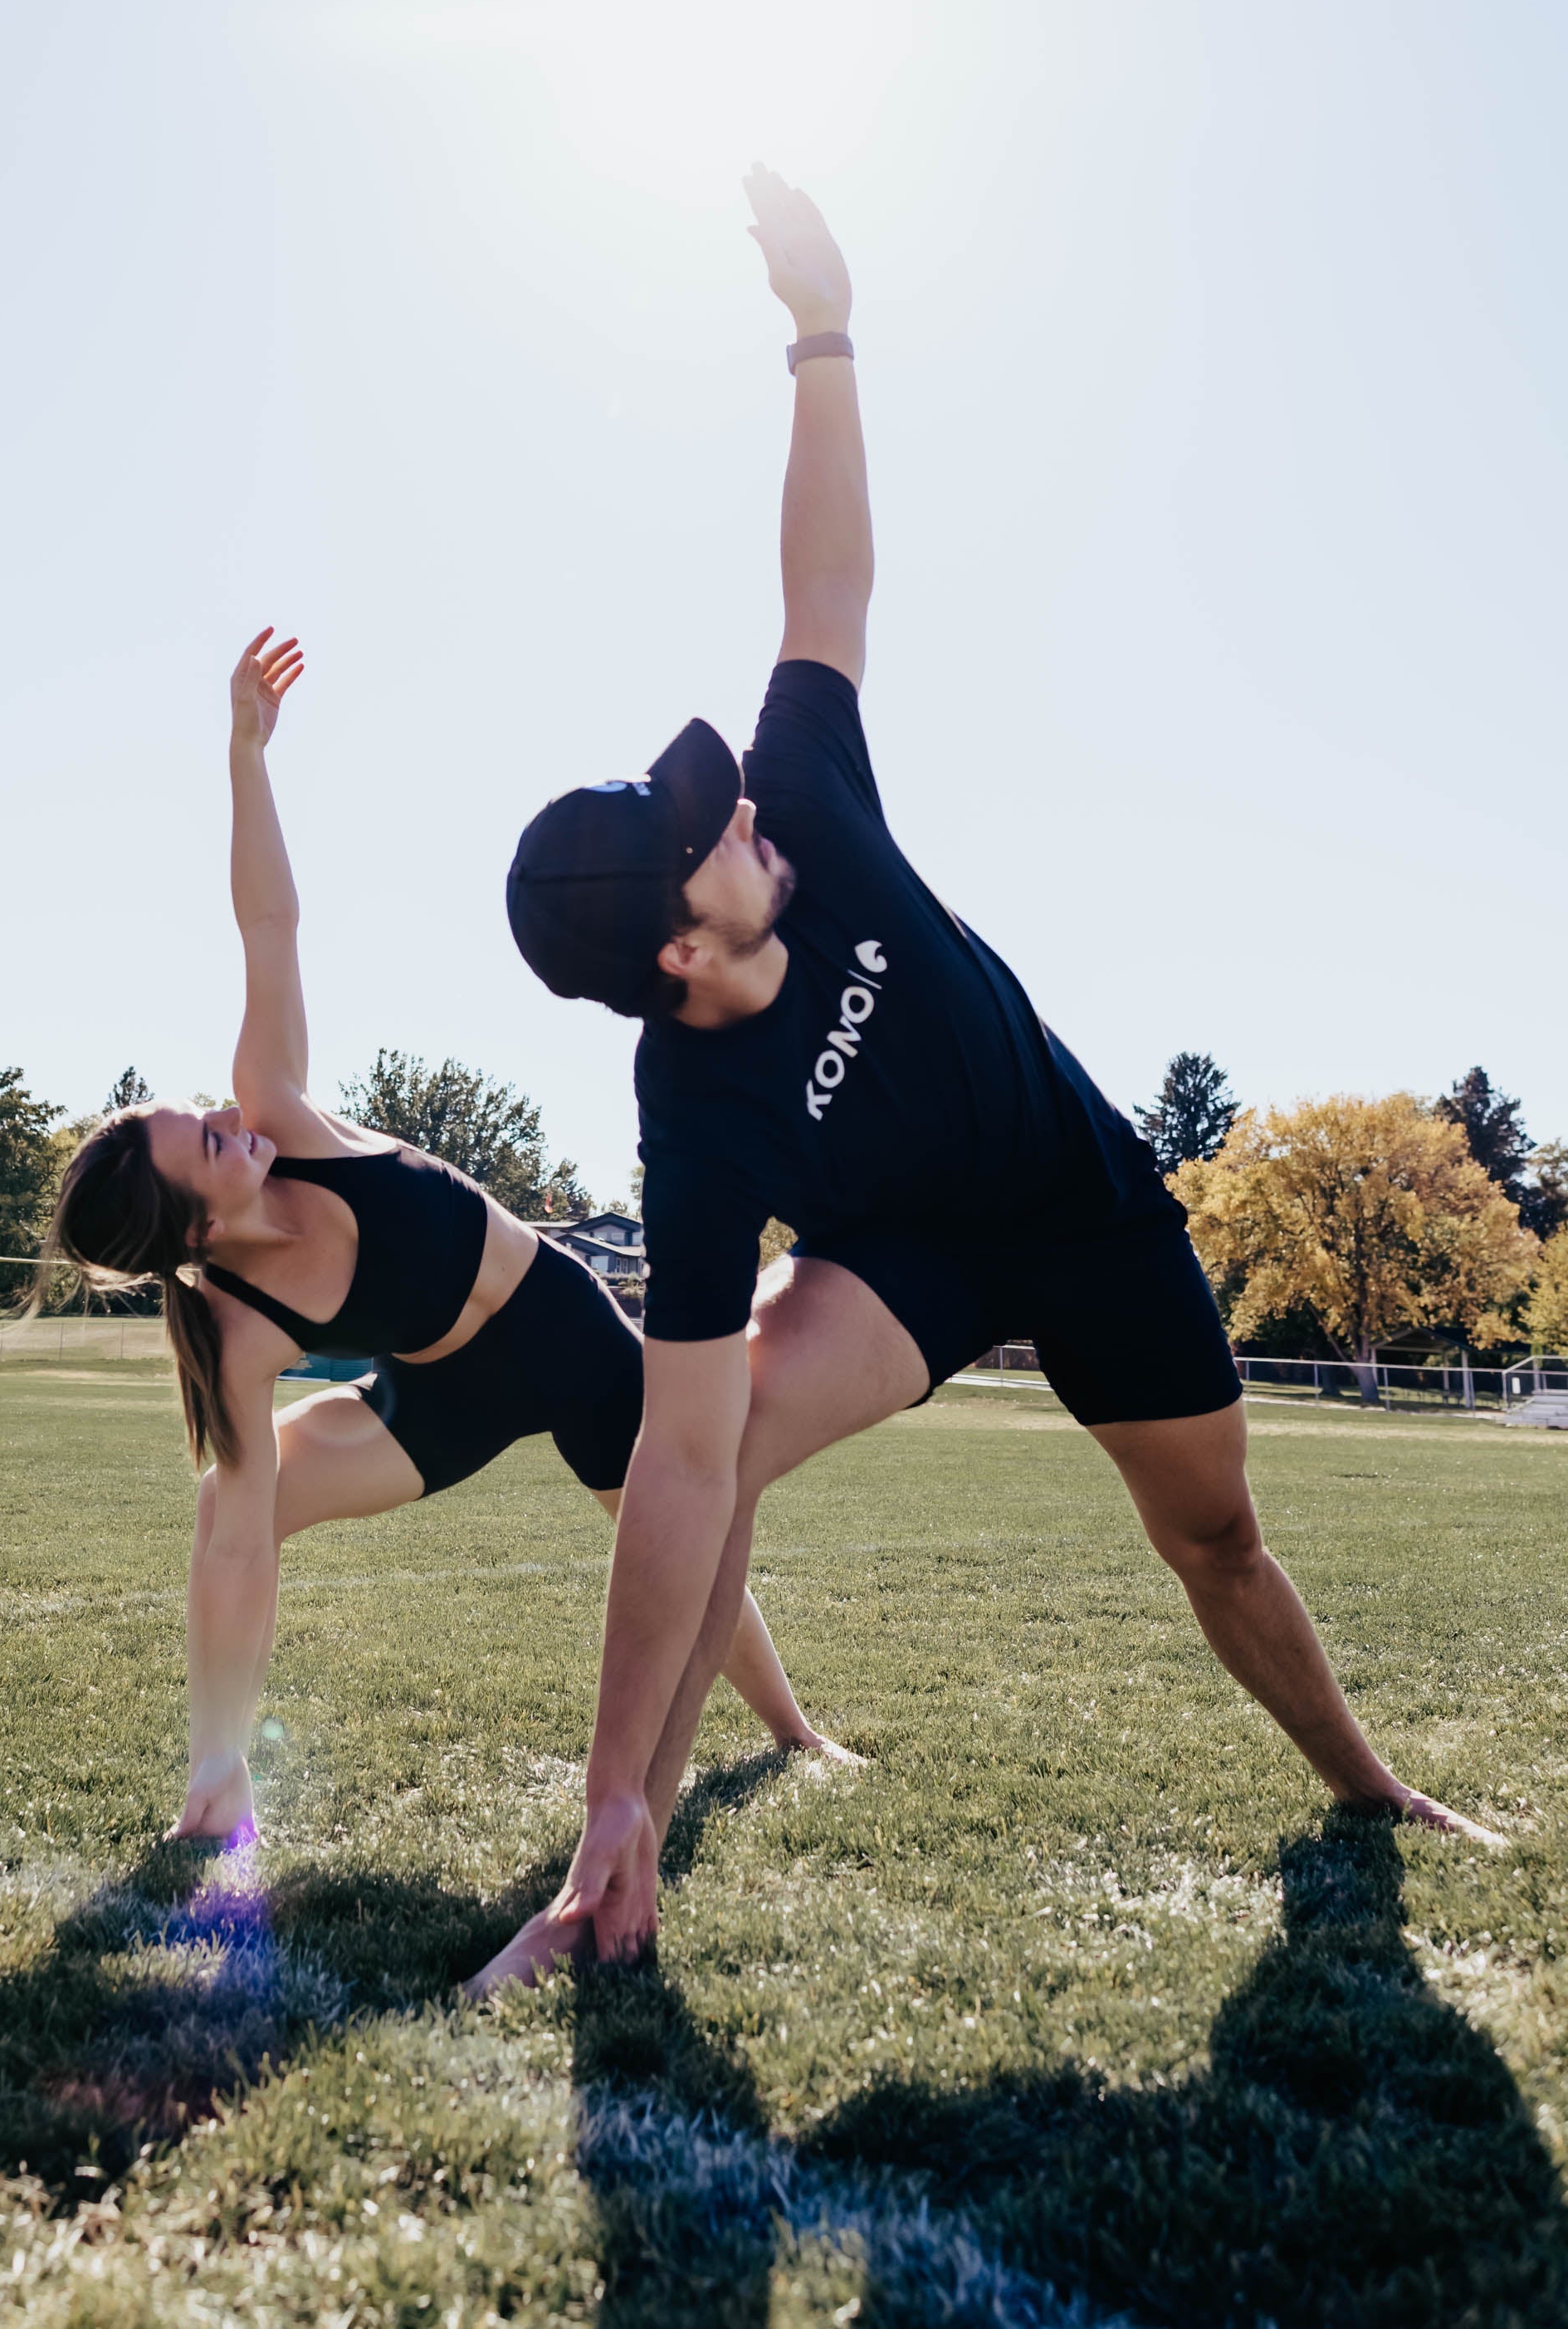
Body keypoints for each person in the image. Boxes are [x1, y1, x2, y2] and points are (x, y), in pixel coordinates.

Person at [474, 165, 1500, 1992]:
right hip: (912, 1257)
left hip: (1078, 1199)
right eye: (705, 841)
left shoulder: (805, 797)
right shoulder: (693, 1121)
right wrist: (608, 1792)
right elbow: (684, 1455)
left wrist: (823, 329)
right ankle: (620, 1857)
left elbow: (830, 575)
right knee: (724, 1432)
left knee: (1218, 1538)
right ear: (675, 963)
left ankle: (1370, 1788)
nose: (738, 823)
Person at [43, 629, 844, 1845]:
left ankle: (793, 1730)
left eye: (199, 1110)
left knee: (673, 1523)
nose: (221, 1114)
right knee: (230, 1507)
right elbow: (246, 1545)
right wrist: (224, 1743)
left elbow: (270, 924)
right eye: (201, 1141)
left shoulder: (276, 1107)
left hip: (559, 1329)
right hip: (440, 1399)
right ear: (197, 1227)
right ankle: (216, 1783)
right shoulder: (235, 1325)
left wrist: (244, 753)